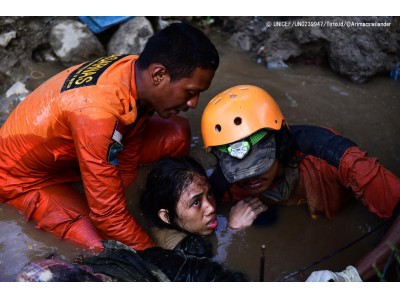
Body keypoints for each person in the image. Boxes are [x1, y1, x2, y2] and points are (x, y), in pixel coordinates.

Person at [0, 23, 219, 252]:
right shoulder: (97, 114)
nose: (193, 103)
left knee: (176, 134)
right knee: (104, 245)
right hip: (24, 180)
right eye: (190, 92)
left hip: (75, 151)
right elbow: (107, 216)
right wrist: (155, 255)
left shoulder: (135, 69)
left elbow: (134, 129)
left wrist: (127, 196)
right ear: (158, 74)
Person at [200, 84, 400, 281]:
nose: (249, 178)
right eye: (239, 171)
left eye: (259, 165)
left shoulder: (337, 158)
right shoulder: (222, 183)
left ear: (280, 144)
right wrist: (231, 229)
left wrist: (352, 277)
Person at [140, 155, 267, 258]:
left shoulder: (164, 212)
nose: (211, 208)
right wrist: (232, 230)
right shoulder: (183, 252)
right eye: (196, 202)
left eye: (210, 193)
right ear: (167, 216)